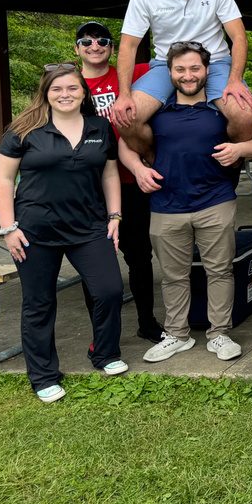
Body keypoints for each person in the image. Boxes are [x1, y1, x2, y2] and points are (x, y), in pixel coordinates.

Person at [0, 63, 127, 403]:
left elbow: (110, 174)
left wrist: (114, 215)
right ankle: (43, 376)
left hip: (88, 227)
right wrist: (9, 229)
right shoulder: (24, 129)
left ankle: (105, 353)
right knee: (39, 303)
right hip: (34, 231)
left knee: (109, 290)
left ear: (84, 92)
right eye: (57, 89)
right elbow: (4, 181)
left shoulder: (100, 127)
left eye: (72, 88)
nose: (65, 94)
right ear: (46, 93)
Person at [131, 42, 252, 364]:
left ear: (207, 70)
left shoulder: (222, 107)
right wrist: (137, 168)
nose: (188, 75)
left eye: (195, 68)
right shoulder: (157, 110)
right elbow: (126, 146)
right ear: (170, 72)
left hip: (214, 200)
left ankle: (219, 334)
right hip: (166, 204)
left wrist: (240, 150)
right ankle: (177, 335)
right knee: (172, 275)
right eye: (180, 69)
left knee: (219, 271)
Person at [111, 0, 252, 155]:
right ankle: (156, 161)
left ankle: (232, 165)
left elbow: (239, 37)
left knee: (244, 114)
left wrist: (235, 80)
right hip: (167, 66)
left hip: (216, 63)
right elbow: (128, 46)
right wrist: (124, 94)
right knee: (126, 118)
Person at [73, 20, 163, 342]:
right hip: (90, 187)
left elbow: (171, 62)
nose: (94, 45)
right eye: (86, 41)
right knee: (93, 260)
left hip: (129, 181)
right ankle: (101, 330)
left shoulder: (131, 74)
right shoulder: (70, 84)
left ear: (112, 48)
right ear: (77, 49)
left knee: (139, 255)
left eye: (102, 40)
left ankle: (147, 322)